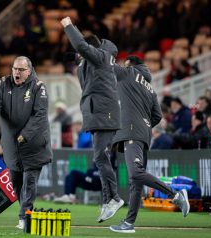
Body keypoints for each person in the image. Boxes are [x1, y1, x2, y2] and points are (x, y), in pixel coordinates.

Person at [109, 56, 190, 233]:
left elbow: (104, 61)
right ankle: (129, 223)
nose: (123, 66)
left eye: (126, 64)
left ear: (131, 66)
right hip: (144, 135)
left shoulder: (128, 73)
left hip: (132, 131)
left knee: (136, 173)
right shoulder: (150, 89)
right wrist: (144, 126)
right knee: (135, 182)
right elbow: (158, 116)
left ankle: (175, 194)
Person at [61, 16, 124, 223]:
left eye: (82, 52)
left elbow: (80, 44)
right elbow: (86, 86)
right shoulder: (88, 64)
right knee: (100, 158)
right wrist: (81, 63)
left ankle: (114, 198)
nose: (79, 54)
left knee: (100, 158)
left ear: (90, 49)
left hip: (104, 113)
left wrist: (69, 26)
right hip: (97, 114)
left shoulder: (101, 57)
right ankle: (108, 200)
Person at [0, 56, 52, 230]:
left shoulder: (38, 87)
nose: (16, 72)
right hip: (12, 145)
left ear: (28, 71)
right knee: (16, 182)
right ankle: (28, 214)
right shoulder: (4, 83)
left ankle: (24, 216)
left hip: (34, 144)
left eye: (21, 70)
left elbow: (40, 115)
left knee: (30, 181)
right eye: (14, 68)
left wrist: (26, 134)